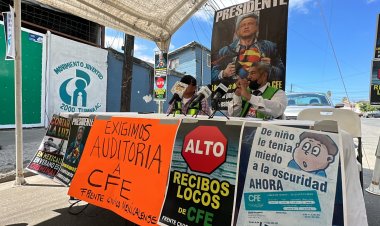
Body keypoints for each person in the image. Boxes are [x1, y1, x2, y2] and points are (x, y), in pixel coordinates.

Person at [211, 13, 285, 83]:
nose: (246, 27)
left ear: (257, 28)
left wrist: (270, 68)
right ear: (237, 31)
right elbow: (211, 74)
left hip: (259, 92)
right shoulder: (225, 51)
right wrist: (224, 73)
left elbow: (282, 72)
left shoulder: (269, 47)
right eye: (242, 25)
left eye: (250, 24)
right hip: (235, 92)